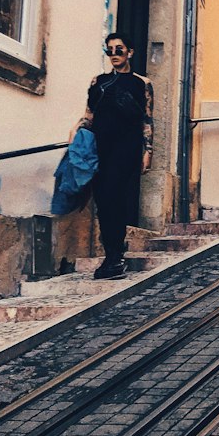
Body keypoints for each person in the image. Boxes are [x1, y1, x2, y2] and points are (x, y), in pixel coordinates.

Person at [77, 31, 154, 278]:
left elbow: (147, 119)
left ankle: (114, 257)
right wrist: (77, 137)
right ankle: (112, 252)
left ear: (130, 52)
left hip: (126, 147)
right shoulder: (97, 82)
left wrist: (148, 150)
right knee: (102, 199)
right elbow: (89, 115)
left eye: (119, 49)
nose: (114, 54)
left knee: (114, 195)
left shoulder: (141, 83)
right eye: (109, 50)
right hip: (100, 146)